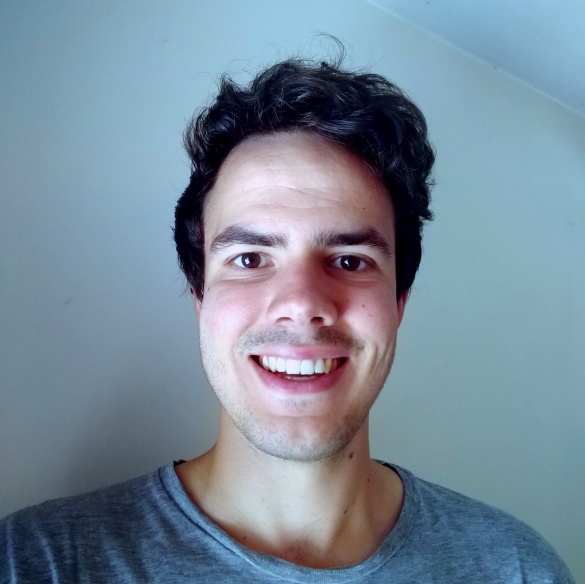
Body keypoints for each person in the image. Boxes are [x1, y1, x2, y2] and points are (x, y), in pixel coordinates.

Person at [0, 53, 575, 583]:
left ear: (399, 303)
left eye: (350, 260)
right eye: (250, 259)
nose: (301, 302)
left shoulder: (518, 569)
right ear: (200, 298)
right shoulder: (37, 562)